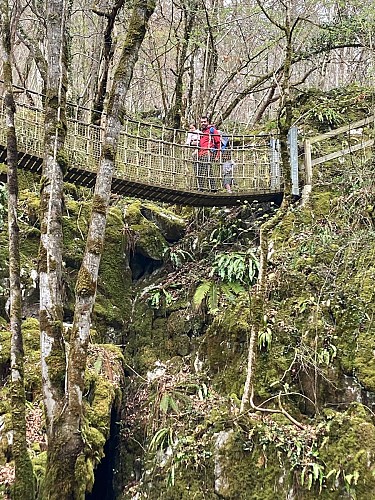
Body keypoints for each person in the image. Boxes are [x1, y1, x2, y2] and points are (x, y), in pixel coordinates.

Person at [197, 116, 221, 191]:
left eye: (204, 122)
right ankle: (201, 187)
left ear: (208, 122)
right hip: (200, 153)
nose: (203, 123)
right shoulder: (202, 132)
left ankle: (213, 188)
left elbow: (218, 142)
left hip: (208, 153)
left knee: (208, 170)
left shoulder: (212, 130)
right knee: (199, 171)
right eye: (202, 122)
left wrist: (218, 155)